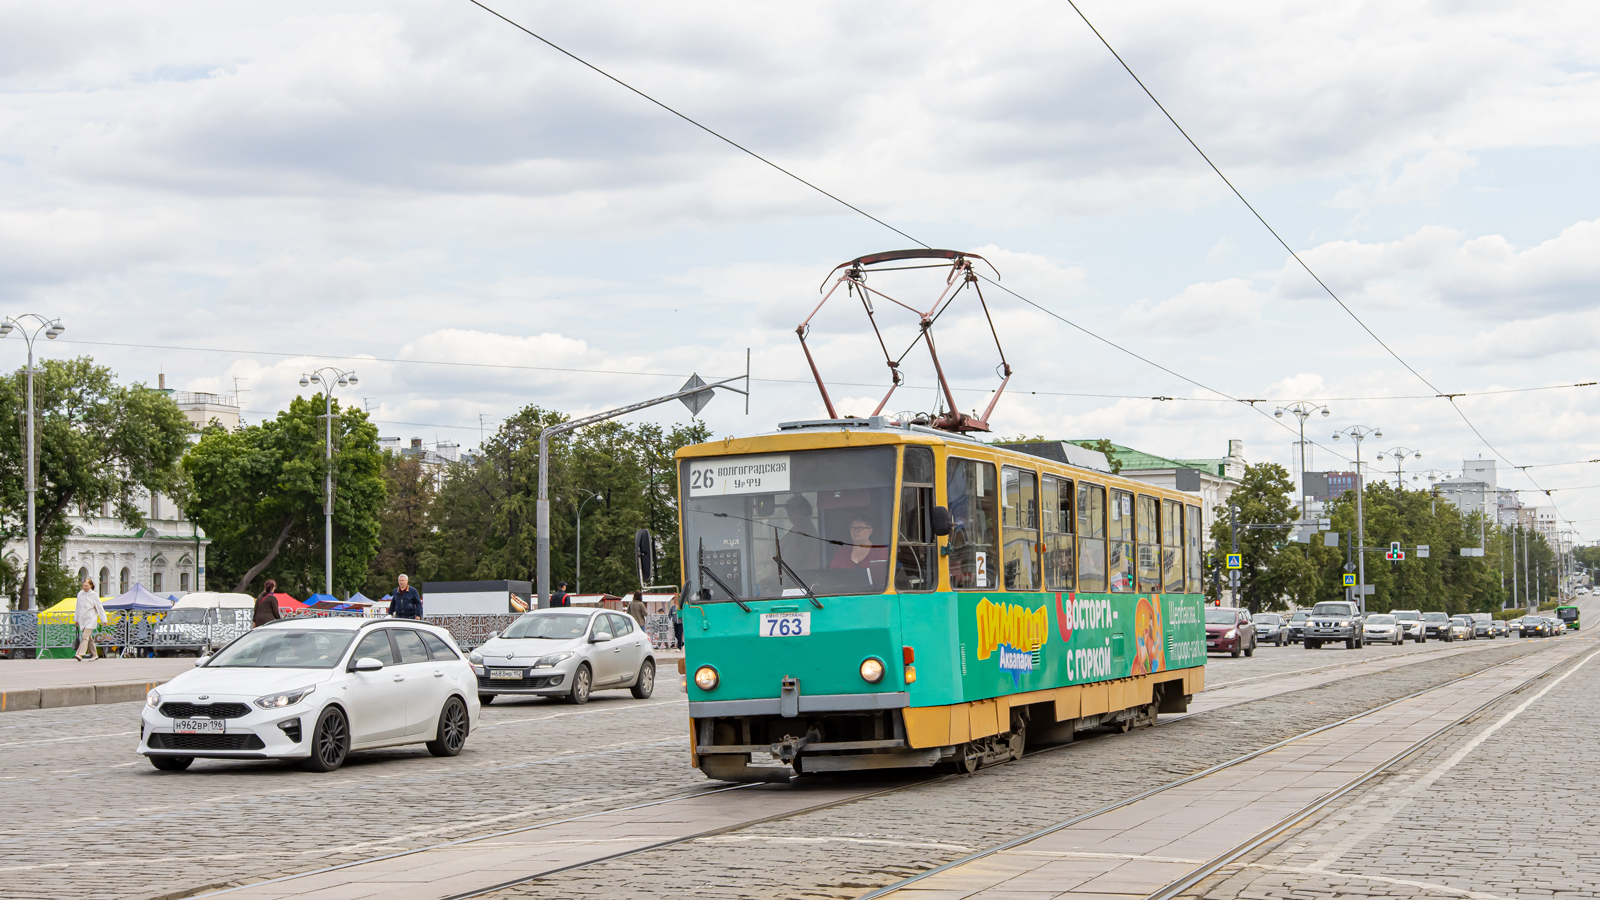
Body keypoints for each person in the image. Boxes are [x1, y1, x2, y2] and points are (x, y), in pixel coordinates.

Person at [74, 578, 106, 661]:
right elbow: (77, 607)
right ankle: (94, 654)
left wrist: (104, 619)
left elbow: (99, 607)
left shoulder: (94, 595)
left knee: (85, 636)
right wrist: (76, 619)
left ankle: (80, 654)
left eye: (86, 586)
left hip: (91, 619)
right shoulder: (80, 594)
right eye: (83, 585)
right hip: (82, 619)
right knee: (89, 637)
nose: (84, 587)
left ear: (91, 586)